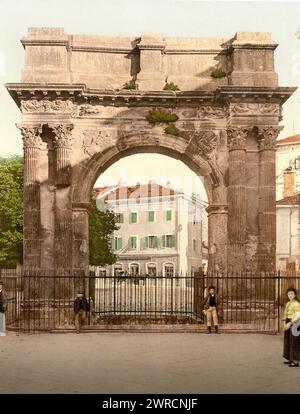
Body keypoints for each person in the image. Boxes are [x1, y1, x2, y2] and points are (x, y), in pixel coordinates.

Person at [282, 287, 300, 367]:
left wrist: (290, 323)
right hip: (288, 321)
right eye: (289, 294)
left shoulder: (296, 303)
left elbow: (298, 315)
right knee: (288, 340)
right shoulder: (288, 303)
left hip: (295, 323)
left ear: (295, 294)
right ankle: (290, 358)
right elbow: (285, 313)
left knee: (294, 342)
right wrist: (284, 322)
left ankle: (296, 361)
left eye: (292, 294)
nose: (290, 295)